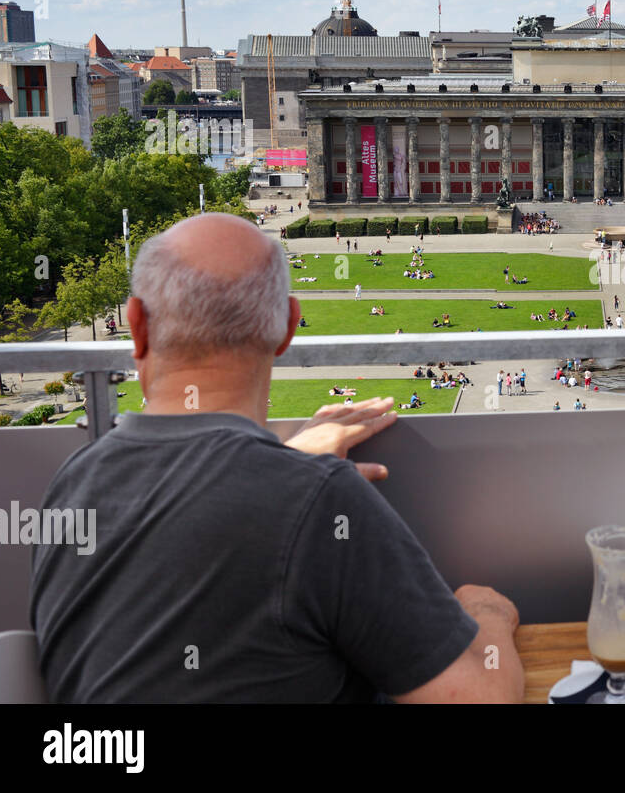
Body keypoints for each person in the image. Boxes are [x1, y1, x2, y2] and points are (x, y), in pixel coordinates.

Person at [30, 214, 522, 703]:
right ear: (287, 327)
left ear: (135, 325)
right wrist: (486, 610)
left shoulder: (70, 484)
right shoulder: (316, 500)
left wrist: (281, 463)